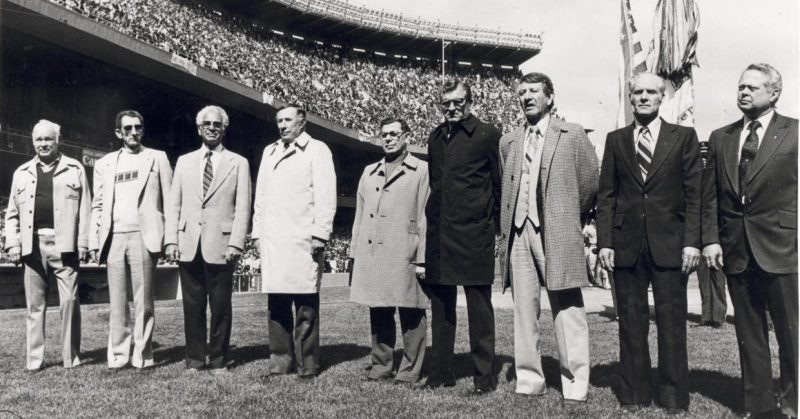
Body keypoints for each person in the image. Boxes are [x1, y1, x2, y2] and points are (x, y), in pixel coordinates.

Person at [596, 72, 702, 413]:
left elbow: (694, 195)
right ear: (630, 98)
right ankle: (634, 393)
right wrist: (605, 243)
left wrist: (692, 242)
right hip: (626, 246)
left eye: (650, 92)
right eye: (637, 92)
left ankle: (673, 396)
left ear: (661, 98)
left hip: (671, 245)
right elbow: (606, 196)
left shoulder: (683, 137)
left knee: (671, 325)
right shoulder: (616, 140)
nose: (643, 97)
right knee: (630, 322)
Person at [702, 63, 797, 418]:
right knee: (749, 335)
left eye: (752, 87)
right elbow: (709, 196)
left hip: (783, 249)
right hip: (737, 250)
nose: (743, 92)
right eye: (740, 86)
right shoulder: (720, 137)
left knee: (791, 335)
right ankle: (758, 407)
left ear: (774, 93)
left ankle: (793, 404)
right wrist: (711, 240)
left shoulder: (795, 133)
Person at [498, 72, 598, 403]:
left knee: (567, 310)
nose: (527, 97)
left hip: (555, 231)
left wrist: (565, 217)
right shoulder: (509, 141)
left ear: (550, 97)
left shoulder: (572, 135)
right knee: (524, 313)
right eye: (522, 92)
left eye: (534, 91)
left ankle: (575, 383)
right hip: (518, 233)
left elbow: (589, 184)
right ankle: (529, 379)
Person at [420, 78, 500, 394]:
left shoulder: (487, 135)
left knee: (480, 311)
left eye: (458, 102)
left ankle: (484, 378)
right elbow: (436, 186)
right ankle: (441, 372)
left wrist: (491, 229)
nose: (452, 108)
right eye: (446, 103)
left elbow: (498, 186)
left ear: (469, 101)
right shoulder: (435, 138)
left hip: (474, 235)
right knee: (441, 309)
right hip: (440, 236)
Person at [252, 104, 337, 379]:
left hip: (304, 239)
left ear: (302, 122)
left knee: (305, 304)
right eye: (278, 120)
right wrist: (257, 233)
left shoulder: (318, 150)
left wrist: (320, 233)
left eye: (287, 119)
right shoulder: (270, 151)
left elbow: (326, 195)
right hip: (274, 239)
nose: (282, 125)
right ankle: (280, 362)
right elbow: (261, 196)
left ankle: (308, 363)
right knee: (276, 304)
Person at [165, 106, 251, 373]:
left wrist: (237, 242)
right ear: (198, 127)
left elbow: (243, 206)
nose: (212, 127)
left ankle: (218, 360)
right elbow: (173, 204)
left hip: (222, 245)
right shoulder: (183, 161)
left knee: (221, 307)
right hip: (188, 243)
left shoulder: (239, 162)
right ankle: (194, 359)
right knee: (192, 307)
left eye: (217, 124)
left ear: (224, 129)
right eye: (207, 123)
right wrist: (171, 240)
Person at [89, 110, 173, 370]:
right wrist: (94, 240)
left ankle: (143, 353)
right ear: (118, 133)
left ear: (143, 130)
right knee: (117, 300)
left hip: (144, 236)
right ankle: (119, 353)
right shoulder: (104, 164)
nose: (133, 132)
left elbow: (169, 202)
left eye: (138, 127)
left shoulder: (157, 158)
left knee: (144, 300)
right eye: (127, 129)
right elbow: (98, 205)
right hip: (114, 237)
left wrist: (170, 239)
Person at [349, 117, 429, 384]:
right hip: (373, 253)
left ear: (406, 135)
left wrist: (423, 257)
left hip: (406, 250)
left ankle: (410, 371)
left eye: (394, 133)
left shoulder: (421, 170)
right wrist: (354, 252)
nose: (388, 138)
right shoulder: (369, 171)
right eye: (383, 134)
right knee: (379, 311)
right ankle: (382, 366)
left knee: (412, 312)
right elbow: (359, 216)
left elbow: (425, 216)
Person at [4, 120, 89, 371]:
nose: (43, 144)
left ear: (57, 140)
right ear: (33, 142)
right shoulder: (21, 172)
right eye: (39, 140)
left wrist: (83, 242)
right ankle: (34, 360)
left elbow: (85, 209)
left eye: (48, 139)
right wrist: (13, 244)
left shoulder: (75, 168)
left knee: (70, 301)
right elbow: (11, 214)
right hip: (32, 244)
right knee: (34, 305)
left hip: (66, 244)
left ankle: (70, 357)